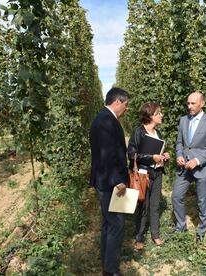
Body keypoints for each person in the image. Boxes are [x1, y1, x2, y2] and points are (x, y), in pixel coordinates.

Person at [89, 87, 129, 276]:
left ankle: (105, 261)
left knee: (108, 222)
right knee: (116, 224)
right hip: (109, 182)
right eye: (126, 105)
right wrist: (117, 181)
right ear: (117, 102)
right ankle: (111, 270)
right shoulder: (106, 120)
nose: (126, 109)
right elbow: (106, 155)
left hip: (105, 180)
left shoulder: (103, 118)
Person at [171, 91, 206, 242]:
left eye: (193, 103)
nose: (189, 106)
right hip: (184, 167)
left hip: (202, 168)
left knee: (202, 201)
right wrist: (179, 155)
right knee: (176, 196)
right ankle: (181, 226)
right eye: (188, 103)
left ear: (202, 103)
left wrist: (197, 160)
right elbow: (180, 143)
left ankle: (201, 231)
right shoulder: (183, 120)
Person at [128, 102, 170, 250]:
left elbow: (158, 153)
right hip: (143, 174)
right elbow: (132, 154)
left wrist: (164, 156)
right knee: (143, 206)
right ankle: (139, 237)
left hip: (157, 173)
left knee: (155, 205)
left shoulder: (158, 133)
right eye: (159, 113)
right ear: (151, 115)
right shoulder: (138, 132)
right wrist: (151, 157)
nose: (161, 115)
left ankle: (155, 234)